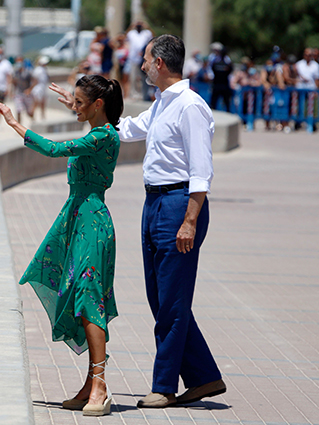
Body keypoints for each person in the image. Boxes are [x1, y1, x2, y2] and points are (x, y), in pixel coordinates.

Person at [68, 34, 225, 408]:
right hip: (154, 203)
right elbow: (127, 130)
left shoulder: (191, 107)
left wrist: (190, 221)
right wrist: (91, 112)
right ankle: (204, 377)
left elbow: (202, 171)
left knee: (170, 303)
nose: (141, 66)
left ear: (160, 64)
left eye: (146, 60)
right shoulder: (162, 103)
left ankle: (164, 386)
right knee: (162, 299)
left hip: (178, 205)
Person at [0, 74, 124, 417]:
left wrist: (14, 123)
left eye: (81, 103)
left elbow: (53, 149)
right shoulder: (96, 129)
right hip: (76, 219)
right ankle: (91, 382)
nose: (74, 108)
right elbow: (86, 118)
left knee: (88, 295)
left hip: (92, 223)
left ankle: (99, 382)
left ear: (98, 105)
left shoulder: (102, 136)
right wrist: (78, 106)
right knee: (79, 294)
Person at [11, 56, 35, 123]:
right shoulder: (15, 73)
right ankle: (19, 126)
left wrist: (29, 90)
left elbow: (34, 81)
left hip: (26, 94)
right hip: (18, 93)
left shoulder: (27, 72)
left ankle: (33, 121)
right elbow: (13, 83)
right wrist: (12, 92)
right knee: (18, 110)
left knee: (29, 112)